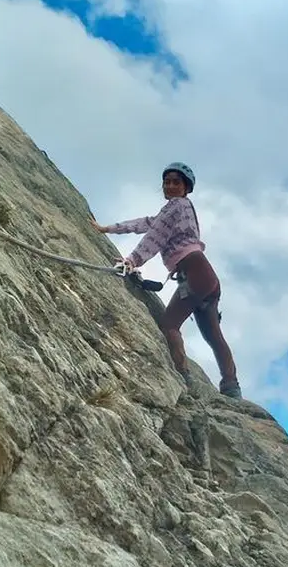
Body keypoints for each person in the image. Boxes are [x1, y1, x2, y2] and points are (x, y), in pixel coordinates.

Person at [91, 162, 242, 399]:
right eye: (167, 181)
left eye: (176, 182)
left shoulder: (176, 206)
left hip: (195, 275)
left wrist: (132, 260)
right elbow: (144, 224)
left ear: (186, 188)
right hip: (205, 278)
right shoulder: (179, 209)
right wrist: (107, 229)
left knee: (170, 325)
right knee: (213, 336)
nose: (170, 186)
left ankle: (184, 378)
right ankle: (231, 386)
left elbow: (155, 236)